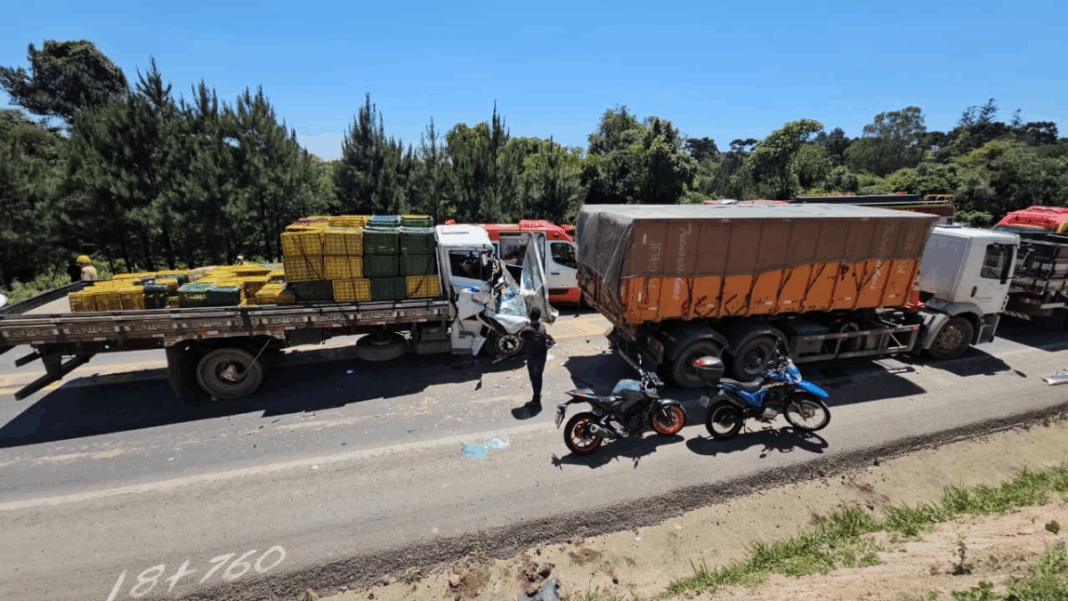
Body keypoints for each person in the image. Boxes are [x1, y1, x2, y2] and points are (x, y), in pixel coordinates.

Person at [518, 307, 554, 412]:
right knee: (539, 376)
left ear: (530, 316)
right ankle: (538, 393)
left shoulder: (527, 330)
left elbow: (521, 337)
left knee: (534, 378)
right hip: (542, 356)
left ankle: (536, 399)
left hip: (533, 358)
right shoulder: (542, 326)